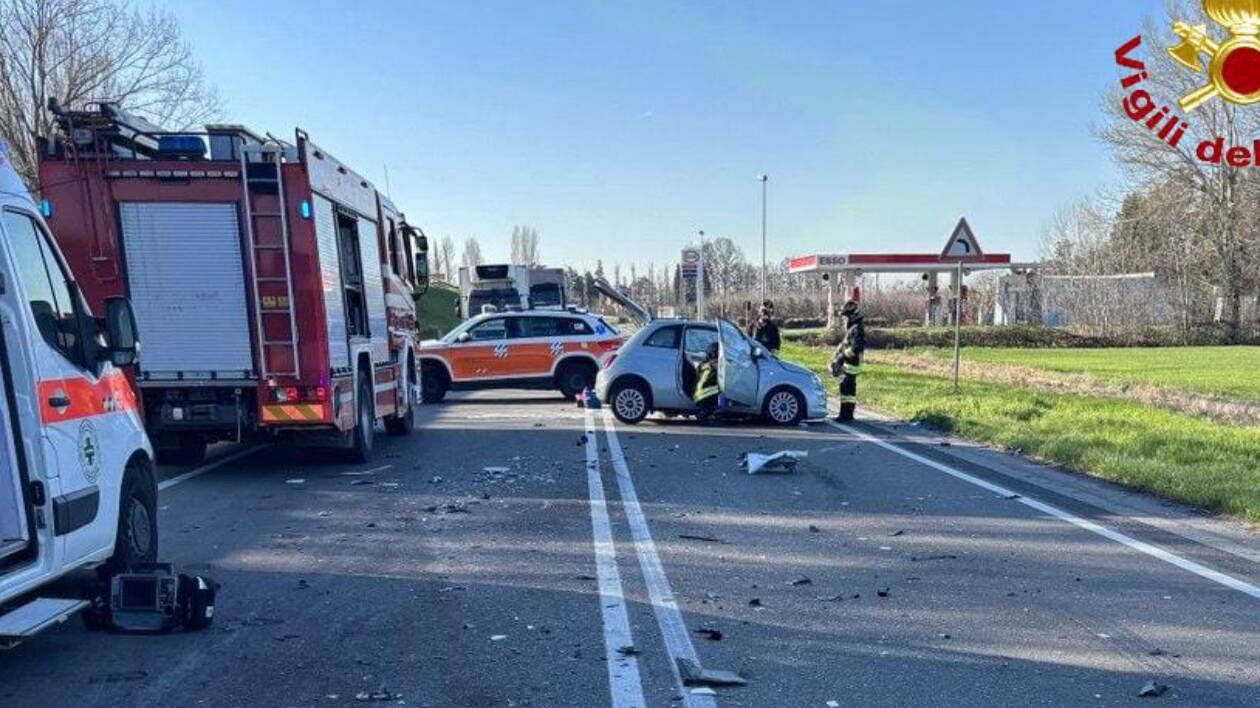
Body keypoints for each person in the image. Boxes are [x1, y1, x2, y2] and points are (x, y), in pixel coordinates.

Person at [830, 299, 865, 422]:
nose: (845, 320)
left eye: (846, 317)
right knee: (845, 390)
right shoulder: (852, 328)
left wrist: (842, 357)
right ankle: (845, 414)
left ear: (852, 315)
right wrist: (838, 353)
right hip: (848, 364)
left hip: (852, 365)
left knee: (848, 391)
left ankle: (847, 415)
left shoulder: (857, 329)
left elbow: (855, 348)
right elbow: (846, 344)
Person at [693, 341, 721, 422]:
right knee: (723, 390)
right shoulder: (713, 366)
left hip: (698, 395)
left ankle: (706, 411)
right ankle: (708, 412)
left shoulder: (703, 364)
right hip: (704, 395)